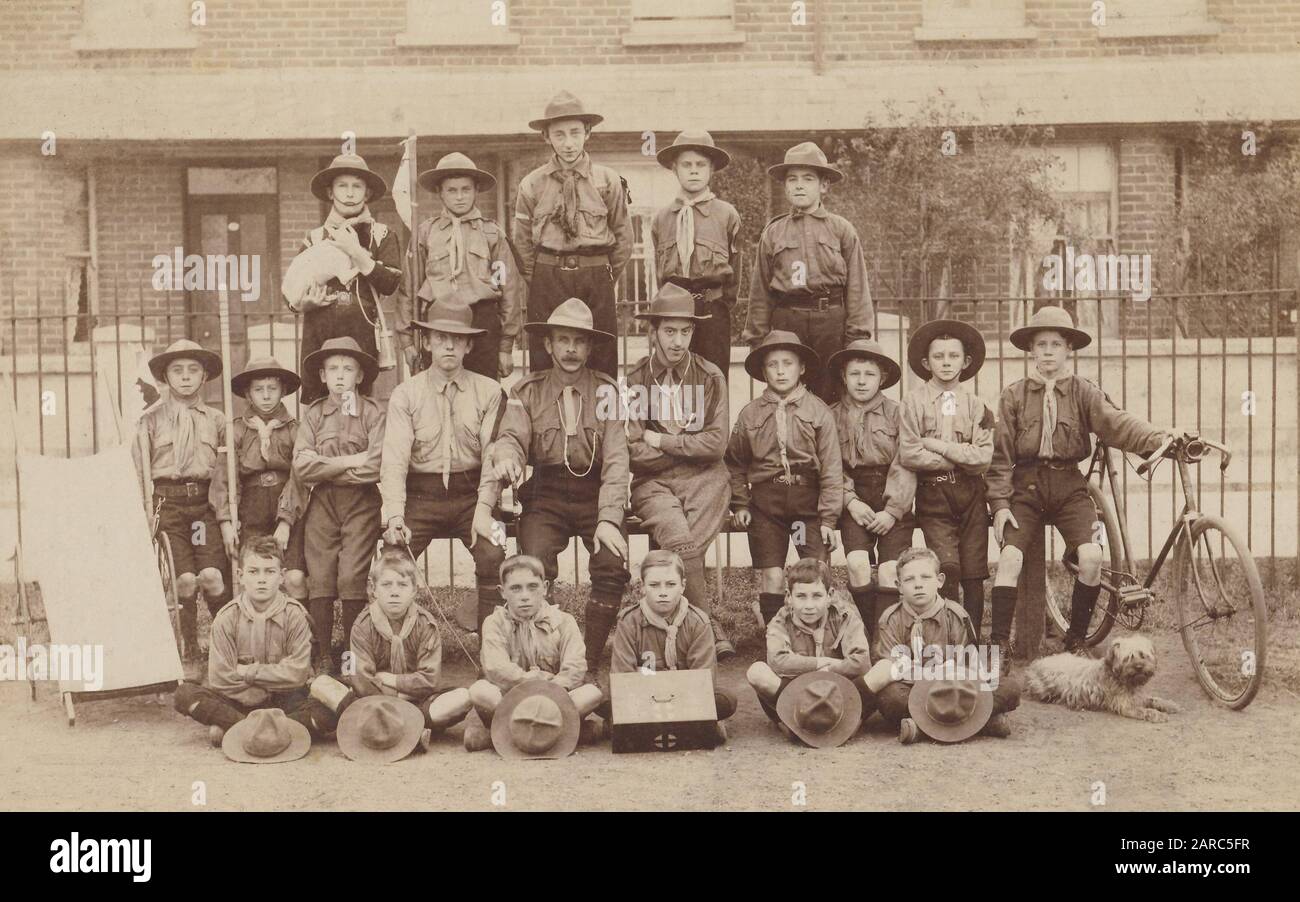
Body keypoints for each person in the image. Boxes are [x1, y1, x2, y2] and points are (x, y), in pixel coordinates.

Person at [987, 306, 1168, 657]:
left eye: (1057, 344)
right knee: (1009, 557)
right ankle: (997, 645)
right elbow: (999, 457)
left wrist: (1158, 438)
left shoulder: (1084, 391)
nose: (1049, 351)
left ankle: (1076, 640)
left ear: (1069, 349)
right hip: (1025, 488)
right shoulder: (1014, 395)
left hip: (1070, 486)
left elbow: (1117, 423)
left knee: (1090, 557)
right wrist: (999, 505)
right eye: (1042, 344)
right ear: (1031, 350)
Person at [488, 298, 630, 676]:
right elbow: (512, 438)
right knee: (532, 562)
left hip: (595, 492)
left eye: (579, 341)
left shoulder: (607, 392)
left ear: (590, 346)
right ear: (547, 345)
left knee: (611, 563)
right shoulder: (527, 390)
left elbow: (617, 461)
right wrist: (507, 456)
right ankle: (539, 655)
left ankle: (591, 660)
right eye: (562, 340)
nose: (570, 349)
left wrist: (609, 519)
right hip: (546, 492)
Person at [379, 297, 507, 636]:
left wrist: (484, 511)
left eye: (457, 338)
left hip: (472, 498)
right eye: (440, 337)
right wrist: (394, 515)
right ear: (428, 342)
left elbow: (494, 460)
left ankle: (492, 648)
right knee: (393, 558)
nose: (448, 345)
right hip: (421, 498)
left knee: (494, 553)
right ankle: (395, 646)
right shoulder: (406, 395)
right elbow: (394, 459)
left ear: (468, 344)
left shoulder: (490, 392)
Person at [624, 283, 734, 658]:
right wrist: (689, 450)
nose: (678, 341)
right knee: (680, 538)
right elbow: (633, 450)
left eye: (685, 331)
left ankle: (678, 624)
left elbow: (717, 445)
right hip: (652, 483)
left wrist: (664, 442)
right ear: (652, 332)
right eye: (669, 331)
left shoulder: (710, 376)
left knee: (686, 542)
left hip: (706, 479)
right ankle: (704, 622)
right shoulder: (635, 380)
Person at [173, 536, 337, 747]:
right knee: (184, 694)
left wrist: (248, 672)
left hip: (285, 701)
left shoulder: (295, 615)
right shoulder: (227, 617)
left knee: (331, 708)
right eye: (253, 571)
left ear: (281, 577)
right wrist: (263, 687)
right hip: (239, 702)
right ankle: (269, 731)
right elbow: (220, 678)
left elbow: (297, 674)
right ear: (240, 576)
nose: (261, 579)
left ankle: (236, 730)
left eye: (269, 571)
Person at [726, 330, 842, 625]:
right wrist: (740, 504)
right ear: (762, 371)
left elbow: (831, 469)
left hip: (806, 508)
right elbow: (735, 462)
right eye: (772, 364)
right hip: (768, 508)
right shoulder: (750, 414)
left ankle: (815, 637)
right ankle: (774, 640)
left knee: (812, 572)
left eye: (787, 363)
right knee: (773, 575)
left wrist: (828, 518)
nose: (780, 371)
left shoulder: (819, 412)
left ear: (801, 367)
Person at [513, 90, 632, 378]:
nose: (568, 143)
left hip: (595, 276)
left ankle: (600, 421)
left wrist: (602, 275)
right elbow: (522, 244)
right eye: (559, 134)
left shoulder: (608, 181)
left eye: (575, 133)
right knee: (544, 357)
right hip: (548, 277)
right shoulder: (532, 185)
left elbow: (623, 238)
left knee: (601, 355)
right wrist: (541, 276)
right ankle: (546, 421)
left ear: (587, 133)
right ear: (546, 137)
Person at [743, 141, 874, 402]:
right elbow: (760, 292)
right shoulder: (773, 232)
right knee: (788, 393)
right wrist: (757, 340)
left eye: (808, 179)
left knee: (831, 395)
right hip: (787, 322)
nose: (799, 185)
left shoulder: (841, 230)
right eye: (792, 179)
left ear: (823, 186)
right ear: (785, 186)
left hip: (830, 323)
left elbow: (857, 288)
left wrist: (856, 339)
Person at [897, 319, 994, 638]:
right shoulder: (912, 402)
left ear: (966, 362)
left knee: (974, 574)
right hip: (933, 495)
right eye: (939, 356)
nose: (947, 362)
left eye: (954, 356)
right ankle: (952, 638)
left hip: (971, 495)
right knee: (949, 568)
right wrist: (958, 455)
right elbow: (910, 454)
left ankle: (974, 641)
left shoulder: (977, 406)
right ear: (926, 363)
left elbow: (982, 458)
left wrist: (939, 446)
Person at [294, 337, 385, 673]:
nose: (340, 375)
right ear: (322, 375)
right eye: (333, 368)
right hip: (322, 502)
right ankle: (321, 658)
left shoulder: (374, 413)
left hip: (361, 503)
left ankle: (351, 656)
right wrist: (352, 461)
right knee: (319, 577)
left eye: (348, 368)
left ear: (360, 376)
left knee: (351, 577)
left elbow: (376, 465)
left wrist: (327, 465)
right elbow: (302, 467)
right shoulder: (314, 415)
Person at [132, 339, 229, 658]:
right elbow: (138, 470)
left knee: (212, 576)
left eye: (193, 370)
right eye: (177, 370)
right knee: (185, 579)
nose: (185, 377)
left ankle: (227, 643)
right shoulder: (150, 420)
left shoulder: (216, 420)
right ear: (166, 377)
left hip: (203, 507)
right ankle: (190, 648)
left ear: (204, 376)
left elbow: (226, 472)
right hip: (169, 505)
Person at [870, 547, 1019, 743]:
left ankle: (921, 729)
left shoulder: (956, 615)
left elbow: (969, 667)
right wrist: (930, 676)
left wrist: (949, 675)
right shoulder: (890, 619)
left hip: (956, 688)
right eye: (909, 580)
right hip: (913, 689)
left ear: (939, 581)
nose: (918, 585)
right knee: (890, 698)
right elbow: (892, 669)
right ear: (898, 586)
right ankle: (981, 723)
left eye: (925, 577)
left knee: (1009, 688)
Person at [288, 153, 403, 404]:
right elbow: (292, 290)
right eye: (342, 186)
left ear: (368, 193)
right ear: (330, 193)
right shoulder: (315, 238)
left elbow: (390, 282)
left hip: (360, 332)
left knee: (357, 408)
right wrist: (304, 304)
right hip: (320, 332)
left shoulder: (381, 235)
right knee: (318, 407)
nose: (350, 193)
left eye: (357, 186)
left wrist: (355, 251)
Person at [399, 152, 523, 380]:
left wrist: (506, 346)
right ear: (440, 192)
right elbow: (408, 289)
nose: (459, 197)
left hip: (481, 321)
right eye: (451, 190)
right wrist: (407, 341)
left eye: (466, 189)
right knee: (436, 393)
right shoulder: (425, 233)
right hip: (438, 319)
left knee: (485, 392)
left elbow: (510, 292)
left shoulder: (492, 233)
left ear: (476, 190)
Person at [463, 554, 605, 751]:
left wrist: (550, 690)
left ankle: (499, 737)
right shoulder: (494, 622)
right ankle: (566, 735)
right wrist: (532, 680)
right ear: (502, 592)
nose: (524, 596)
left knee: (592, 693)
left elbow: (575, 668)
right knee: (479, 691)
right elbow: (496, 668)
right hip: (509, 701)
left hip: (555, 701)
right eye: (515, 588)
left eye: (532, 587)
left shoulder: (564, 621)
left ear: (545, 588)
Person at [828, 339, 915, 644]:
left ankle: (887, 640)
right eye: (855, 374)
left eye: (869, 374)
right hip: (854, 497)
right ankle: (872, 633)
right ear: (844, 376)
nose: (862, 381)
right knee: (857, 564)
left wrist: (892, 511)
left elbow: (906, 462)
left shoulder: (897, 413)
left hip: (893, 497)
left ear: (883, 379)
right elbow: (830, 466)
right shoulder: (831, 415)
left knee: (891, 569)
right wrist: (850, 502)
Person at [608, 550, 736, 739]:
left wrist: (656, 680)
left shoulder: (698, 622)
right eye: (654, 585)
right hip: (643, 694)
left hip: (684, 695)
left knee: (725, 701)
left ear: (683, 586)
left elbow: (703, 678)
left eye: (670, 584)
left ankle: (645, 728)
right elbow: (622, 676)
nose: (662, 592)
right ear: (642, 587)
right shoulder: (629, 621)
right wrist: (658, 683)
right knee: (606, 699)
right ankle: (690, 727)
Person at [212, 356, 308, 603]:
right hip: (250, 509)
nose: (266, 395)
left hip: (287, 504)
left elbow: (300, 477)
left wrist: (286, 522)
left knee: (295, 577)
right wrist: (226, 521)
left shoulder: (295, 430)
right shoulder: (236, 430)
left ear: (283, 390)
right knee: (253, 576)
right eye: (258, 389)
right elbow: (224, 478)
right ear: (248, 393)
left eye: (272, 389)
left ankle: (304, 636)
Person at [349, 550, 473, 734]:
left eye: (402, 585)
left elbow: (430, 680)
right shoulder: (361, 625)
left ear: (414, 590)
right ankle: (414, 727)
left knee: (463, 697)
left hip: (417, 701)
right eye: (386, 585)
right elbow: (360, 679)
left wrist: (393, 680)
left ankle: (398, 728)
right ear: (373, 590)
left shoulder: (426, 624)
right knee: (333, 691)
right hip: (376, 703)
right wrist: (400, 695)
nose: (394, 592)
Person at [746, 557, 875, 734]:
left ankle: (849, 720)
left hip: (839, 693)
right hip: (798, 696)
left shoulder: (845, 616)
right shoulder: (780, 620)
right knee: (757, 672)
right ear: (789, 597)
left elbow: (861, 662)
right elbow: (777, 661)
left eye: (816, 596)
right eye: (800, 596)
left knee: (884, 670)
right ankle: (790, 720)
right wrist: (821, 663)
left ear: (829, 596)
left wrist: (828, 672)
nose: (809, 606)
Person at [650, 130, 741, 378]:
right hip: (673, 313)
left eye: (700, 165)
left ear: (711, 169)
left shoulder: (726, 215)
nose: (693, 170)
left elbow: (737, 270)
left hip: (712, 310)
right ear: (674, 168)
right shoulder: (662, 218)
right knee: (673, 381)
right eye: (686, 165)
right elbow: (659, 272)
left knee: (713, 380)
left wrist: (718, 304)